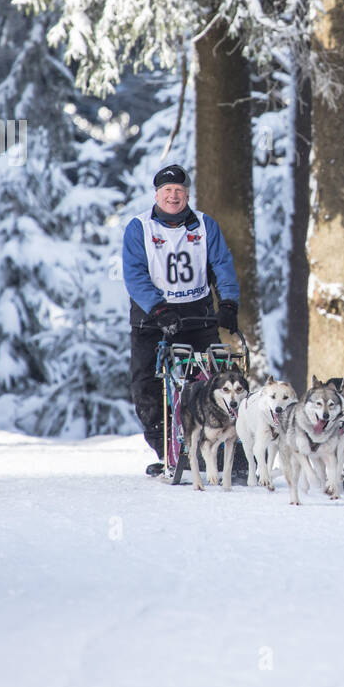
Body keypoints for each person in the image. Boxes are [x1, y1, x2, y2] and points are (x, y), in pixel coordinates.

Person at [122, 164, 245, 479]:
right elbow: (135, 275)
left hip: (197, 316)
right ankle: (169, 452)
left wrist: (228, 302)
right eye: (167, 191)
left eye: (179, 191)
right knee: (146, 388)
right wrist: (159, 309)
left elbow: (222, 263)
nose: (173, 196)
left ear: (187, 194)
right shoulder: (139, 228)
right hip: (153, 320)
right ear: (157, 195)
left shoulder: (205, 225)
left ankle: (221, 449)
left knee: (214, 384)